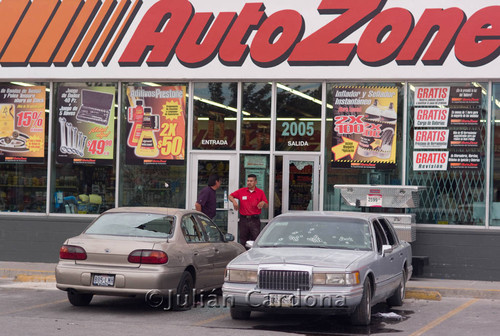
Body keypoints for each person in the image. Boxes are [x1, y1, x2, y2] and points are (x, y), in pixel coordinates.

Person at [229, 174, 268, 246]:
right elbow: (230, 196)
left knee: (255, 240)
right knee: (243, 240)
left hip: (254, 220)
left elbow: (266, 205)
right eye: (248, 181)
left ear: (255, 182)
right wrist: (234, 202)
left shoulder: (260, 192)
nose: (249, 183)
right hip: (244, 220)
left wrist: (263, 203)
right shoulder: (242, 191)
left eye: (251, 181)